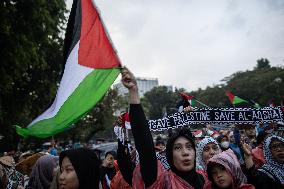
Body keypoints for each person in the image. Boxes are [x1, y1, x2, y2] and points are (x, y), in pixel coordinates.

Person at [121, 67, 209, 189]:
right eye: (177, 148)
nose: (185, 153)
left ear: (195, 152)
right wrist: (134, 91)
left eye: (189, 147)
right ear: (169, 156)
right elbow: (145, 145)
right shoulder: (162, 182)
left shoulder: (208, 179)